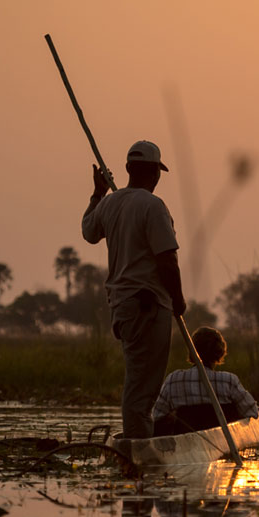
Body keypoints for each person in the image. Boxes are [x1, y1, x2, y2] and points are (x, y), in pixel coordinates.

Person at [81, 140, 185, 441]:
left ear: (128, 169)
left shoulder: (111, 202)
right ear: (155, 172)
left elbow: (89, 231)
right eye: (157, 172)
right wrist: (178, 300)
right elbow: (167, 258)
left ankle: (140, 440)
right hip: (147, 305)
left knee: (140, 382)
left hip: (122, 307)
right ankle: (139, 453)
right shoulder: (152, 206)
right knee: (143, 388)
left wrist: (98, 193)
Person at [151, 326, 259, 436]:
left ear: (191, 351)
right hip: (222, 441)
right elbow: (252, 412)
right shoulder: (229, 380)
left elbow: (156, 416)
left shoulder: (173, 380)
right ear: (219, 352)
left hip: (186, 446)